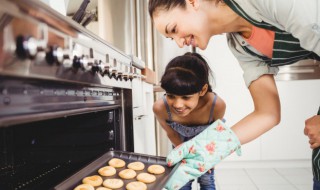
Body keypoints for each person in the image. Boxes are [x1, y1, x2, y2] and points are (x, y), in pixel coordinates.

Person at [148, 0, 320, 189]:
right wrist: (210, 148)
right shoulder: (240, 46)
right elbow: (268, 113)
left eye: (173, 29)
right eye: (171, 38)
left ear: (193, 2)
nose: (180, 43)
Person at [153, 52, 226, 190]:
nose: (178, 105)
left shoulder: (216, 105)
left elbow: (216, 134)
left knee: (206, 180)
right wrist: (185, 155)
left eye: (186, 97)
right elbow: (171, 133)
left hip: (206, 149)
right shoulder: (160, 108)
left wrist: (209, 158)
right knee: (181, 182)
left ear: (202, 90)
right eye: (170, 95)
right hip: (181, 147)